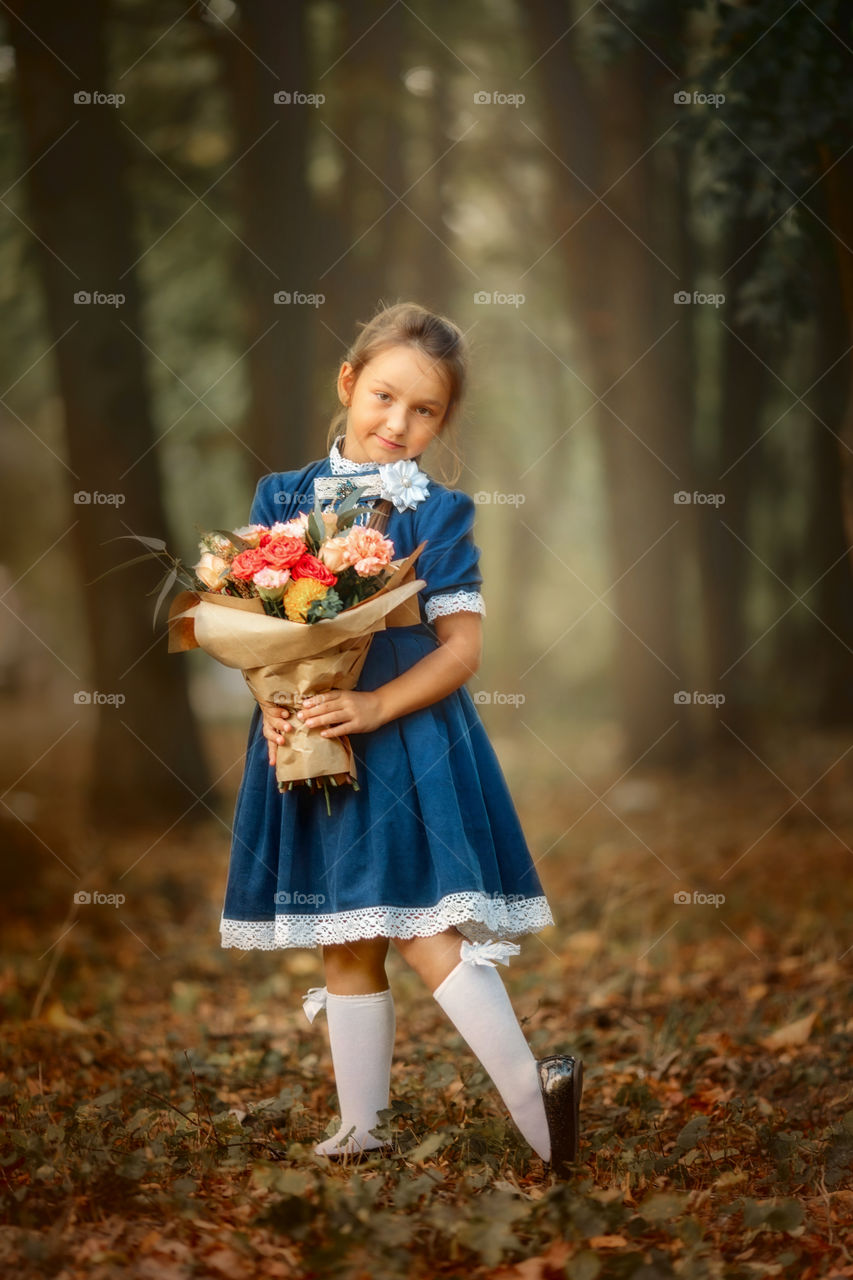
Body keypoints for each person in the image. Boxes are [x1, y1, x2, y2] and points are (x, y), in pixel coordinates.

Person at [221, 300, 583, 1175]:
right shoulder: (283, 496)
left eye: (425, 411)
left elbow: (461, 649)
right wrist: (271, 695)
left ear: (444, 420)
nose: (400, 423)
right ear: (348, 383)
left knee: (424, 926)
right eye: (385, 397)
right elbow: (259, 619)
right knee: (345, 931)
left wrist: (379, 708)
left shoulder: (438, 512)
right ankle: (362, 1123)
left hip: (404, 736)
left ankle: (537, 1096)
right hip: (309, 730)